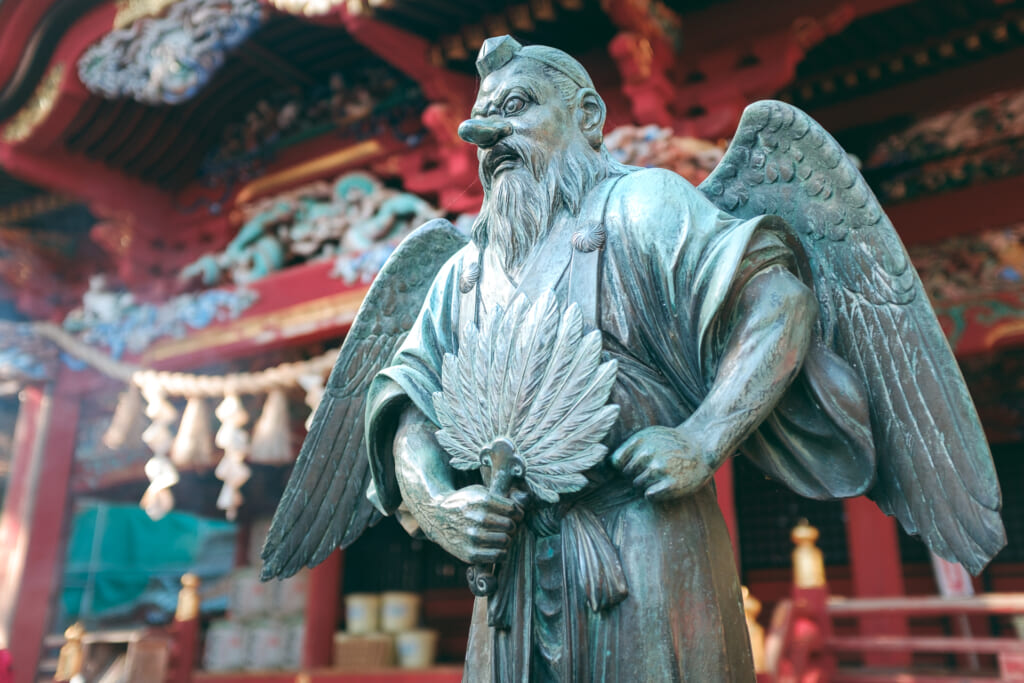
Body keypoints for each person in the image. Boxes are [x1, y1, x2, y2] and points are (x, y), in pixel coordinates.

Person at [359, 36, 883, 682]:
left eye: (517, 106)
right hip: (508, 568)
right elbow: (406, 403)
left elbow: (780, 302)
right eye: (482, 121)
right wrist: (437, 501)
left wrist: (703, 437)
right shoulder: (466, 272)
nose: (489, 133)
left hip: (642, 536)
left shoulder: (644, 205)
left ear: (588, 116)